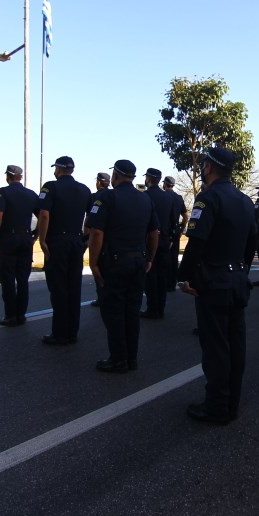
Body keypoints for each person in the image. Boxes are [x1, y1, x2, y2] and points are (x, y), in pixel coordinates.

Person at [178, 147, 256, 424]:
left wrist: (182, 277)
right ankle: (231, 403)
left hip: (214, 282)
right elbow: (250, 245)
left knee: (216, 348)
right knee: (236, 346)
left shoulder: (208, 197)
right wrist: (241, 271)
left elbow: (196, 243)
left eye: (204, 164)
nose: (202, 167)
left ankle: (216, 406)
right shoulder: (245, 200)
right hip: (237, 279)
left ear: (210, 168)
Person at [85, 159, 159, 372]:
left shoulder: (107, 196)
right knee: (132, 311)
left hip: (115, 263)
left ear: (115, 175)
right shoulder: (145, 199)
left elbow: (96, 232)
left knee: (114, 312)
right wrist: (150, 258)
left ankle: (118, 359)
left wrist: (93, 262)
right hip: (138, 262)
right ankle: (131, 358)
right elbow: (154, 232)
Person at [38, 156, 92, 345]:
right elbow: (91, 218)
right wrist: (84, 239)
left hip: (57, 241)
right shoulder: (85, 189)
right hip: (75, 241)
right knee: (73, 288)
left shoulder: (50, 187)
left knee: (59, 288)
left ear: (59, 169)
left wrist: (42, 240)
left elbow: (44, 215)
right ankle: (72, 332)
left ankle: (59, 333)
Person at [0, 165, 39, 327]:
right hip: (26, 238)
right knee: (23, 279)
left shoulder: (3, 192)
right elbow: (43, 217)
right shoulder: (31, 194)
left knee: (8, 278)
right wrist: (35, 236)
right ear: (21, 177)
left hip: (9, 239)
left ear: (8, 177)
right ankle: (21, 314)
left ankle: (10, 315)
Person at [141, 167, 178, 320]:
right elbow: (173, 220)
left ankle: (152, 308)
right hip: (164, 240)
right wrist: (170, 238)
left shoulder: (144, 196)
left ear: (148, 179)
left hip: (148, 240)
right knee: (162, 275)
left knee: (150, 275)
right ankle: (160, 308)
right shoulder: (169, 198)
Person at [89, 172, 112, 307]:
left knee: (98, 268)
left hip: (99, 238)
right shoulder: (113, 195)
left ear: (98, 182)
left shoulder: (95, 197)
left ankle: (102, 297)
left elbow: (91, 221)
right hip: (112, 239)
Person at [162, 175, 188, 291]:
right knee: (174, 257)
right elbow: (185, 216)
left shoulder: (164, 196)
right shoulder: (179, 198)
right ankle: (172, 283)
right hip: (176, 230)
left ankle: (165, 282)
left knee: (164, 257)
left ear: (165, 184)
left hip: (166, 230)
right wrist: (181, 229)